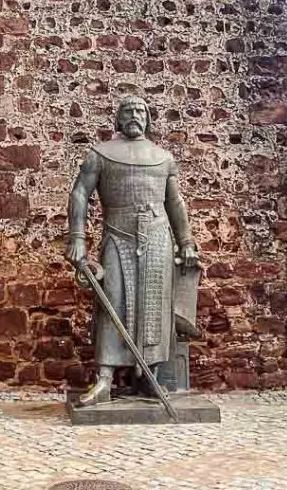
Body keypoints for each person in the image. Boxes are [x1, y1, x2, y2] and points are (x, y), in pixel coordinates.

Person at [65, 95, 200, 406]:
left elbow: (175, 203)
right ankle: (105, 379)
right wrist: (77, 237)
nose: (134, 115)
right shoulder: (100, 154)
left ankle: (150, 376)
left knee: (155, 305)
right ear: (118, 118)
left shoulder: (163, 158)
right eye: (128, 111)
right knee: (113, 301)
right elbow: (80, 192)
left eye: (140, 110)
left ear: (148, 118)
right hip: (118, 233)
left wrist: (187, 242)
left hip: (157, 236)